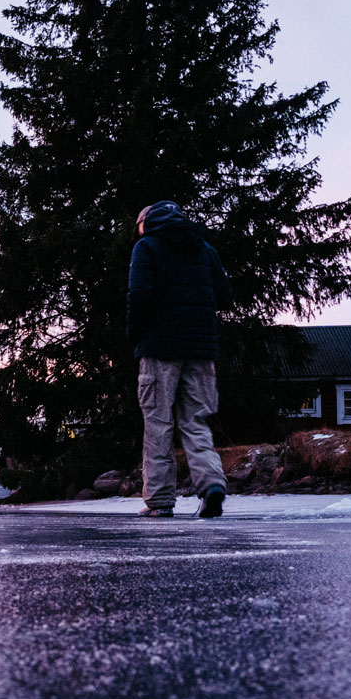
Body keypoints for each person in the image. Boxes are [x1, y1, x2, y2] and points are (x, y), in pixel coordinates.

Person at [127, 200, 232, 518]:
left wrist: (135, 337)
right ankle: (212, 485)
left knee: (158, 424)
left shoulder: (147, 247)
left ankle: (159, 501)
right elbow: (225, 297)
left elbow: (140, 295)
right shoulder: (206, 249)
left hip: (159, 349)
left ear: (146, 222)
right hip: (201, 351)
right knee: (195, 422)